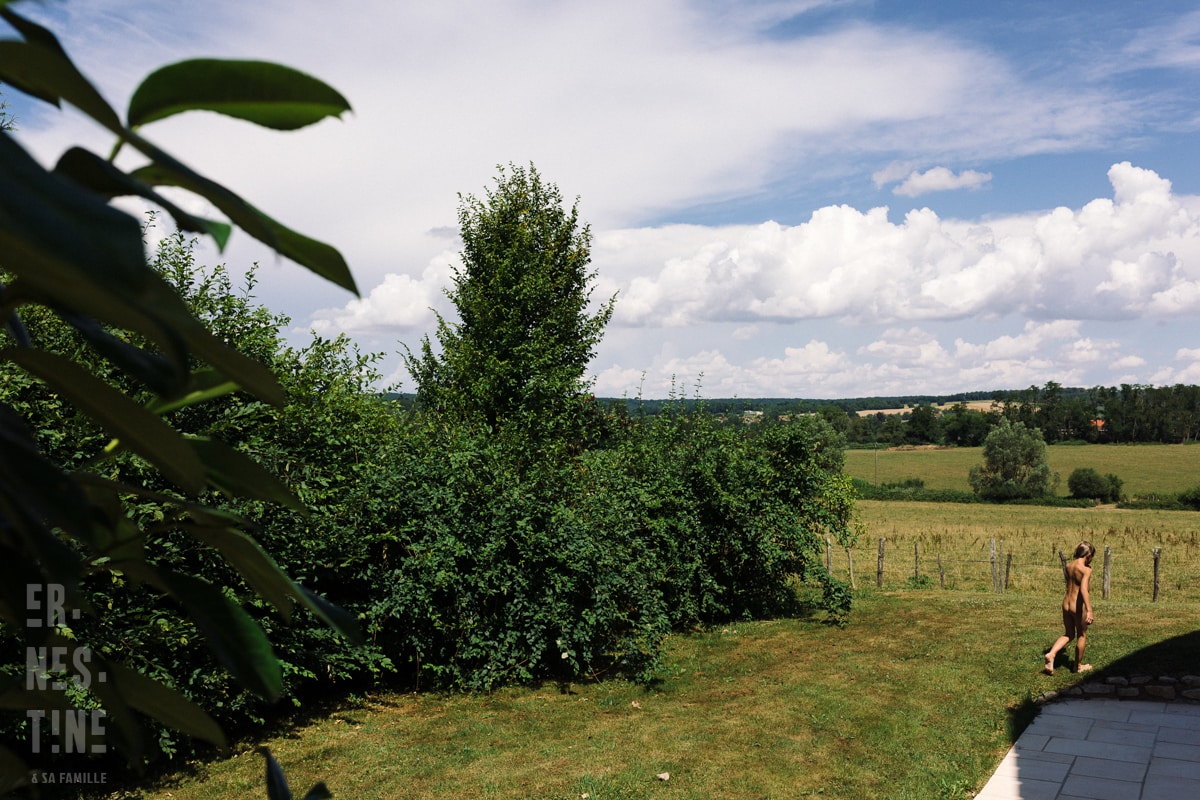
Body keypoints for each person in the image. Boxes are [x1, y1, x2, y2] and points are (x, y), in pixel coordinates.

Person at [1044, 541, 1096, 674]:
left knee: (1068, 634)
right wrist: (1089, 610)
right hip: (1077, 606)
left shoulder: (1068, 566)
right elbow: (1083, 590)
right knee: (1082, 635)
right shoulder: (1086, 570)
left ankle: (1052, 654)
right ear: (1088, 555)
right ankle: (1077, 666)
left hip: (1066, 604)